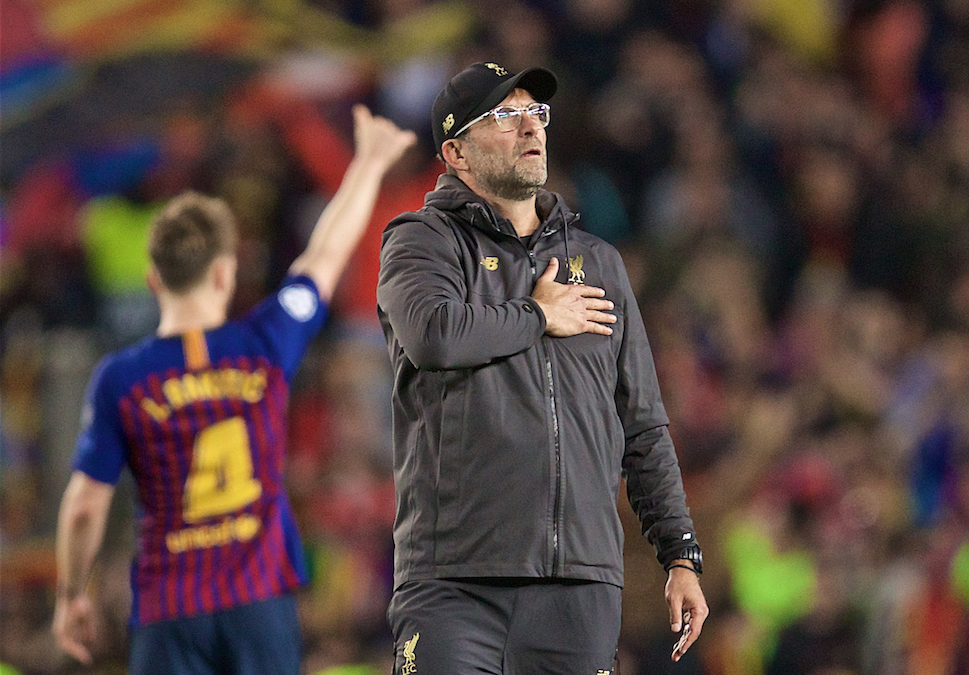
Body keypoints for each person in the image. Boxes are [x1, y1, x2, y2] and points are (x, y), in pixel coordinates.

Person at [52, 106, 416, 674]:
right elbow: (323, 258)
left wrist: (71, 593)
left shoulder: (120, 378)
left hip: (168, 607)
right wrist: (368, 161)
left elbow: (84, 505)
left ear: (154, 279)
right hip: (258, 600)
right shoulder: (266, 341)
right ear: (226, 272)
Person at [376, 62, 709, 674]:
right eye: (504, 117)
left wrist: (680, 555)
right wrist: (536, 314)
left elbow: (641, 424)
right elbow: (432, 335)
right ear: (457, 152)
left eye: (537, 114)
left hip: (579, 588)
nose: (530, 127)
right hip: (455, 581)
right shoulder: (422, 241)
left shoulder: (599, 265)